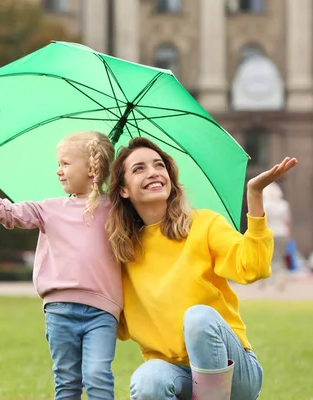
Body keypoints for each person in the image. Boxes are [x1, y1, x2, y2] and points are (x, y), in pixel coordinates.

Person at [0, 131, 122, 400]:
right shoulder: (48, 209)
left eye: (65, 163)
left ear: (92, 167)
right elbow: (8, 213)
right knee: (67, 381)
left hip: (102, 313)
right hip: (59, 312)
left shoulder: (118, 211)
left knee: (98, 377)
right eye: (59, 164)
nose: (58, 171)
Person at [105, 137, 297, 400]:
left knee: (198, 317)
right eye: (138, 168)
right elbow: (119, 327)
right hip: (176, 374)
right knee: (147, 379)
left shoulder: (204, 224)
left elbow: (254, 267)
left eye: (159, 165)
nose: (153, 172)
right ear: (123, 189)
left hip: (233, 374)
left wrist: (254, 195)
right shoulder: (120, 252)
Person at [259, 182, 291, 291]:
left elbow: (263, 222)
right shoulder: (284, 204)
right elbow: (287, 222)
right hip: (282, 233)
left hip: (270, 233)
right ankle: (281, 278)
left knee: (267, 258)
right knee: (279, 258)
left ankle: (264, 281)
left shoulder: (265, 205)